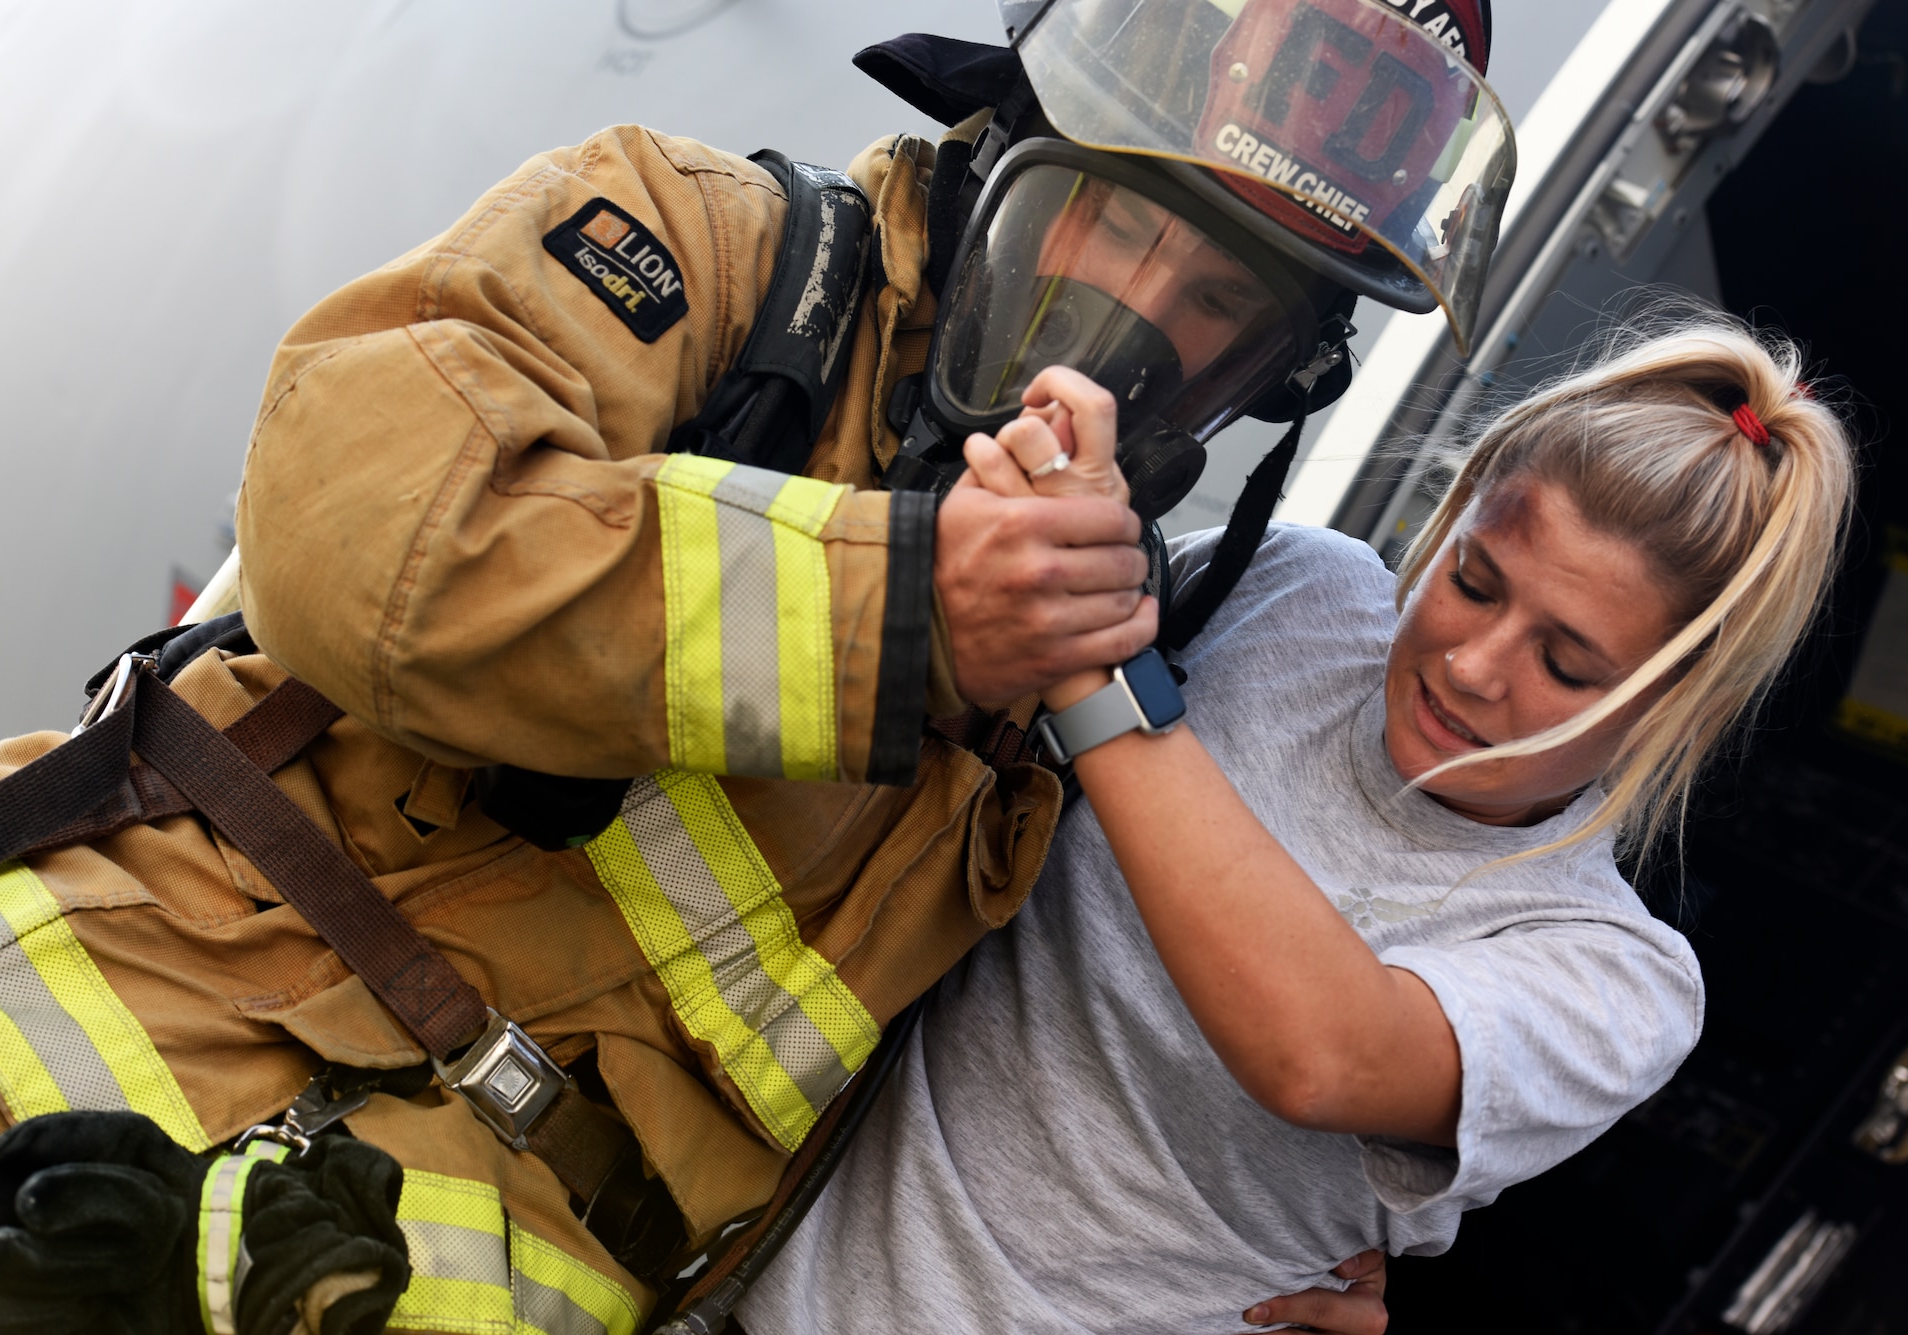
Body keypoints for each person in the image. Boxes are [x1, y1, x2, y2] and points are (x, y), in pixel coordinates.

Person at [0, 2, 1514, 1332]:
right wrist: (904, 614)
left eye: (1221, 299)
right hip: (6, 1142)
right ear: (1007, 148)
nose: (1132, 313)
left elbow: (1043, 1077)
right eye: (1115, 217)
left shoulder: (1077, 697)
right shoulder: (714, 254)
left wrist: (1232, 1257)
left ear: (1276, 374)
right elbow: (362, 524)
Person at [736, 312, 1856, 1334]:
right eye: (1471, 580)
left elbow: (1320, 1056)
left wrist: (1098, 670)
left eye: (1566, 664)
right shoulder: (1291, 588)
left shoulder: (1615, 981)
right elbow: (971, 696)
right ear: (1452, 508)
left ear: (1669, 707)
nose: (1471, 666)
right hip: (738, 1274)